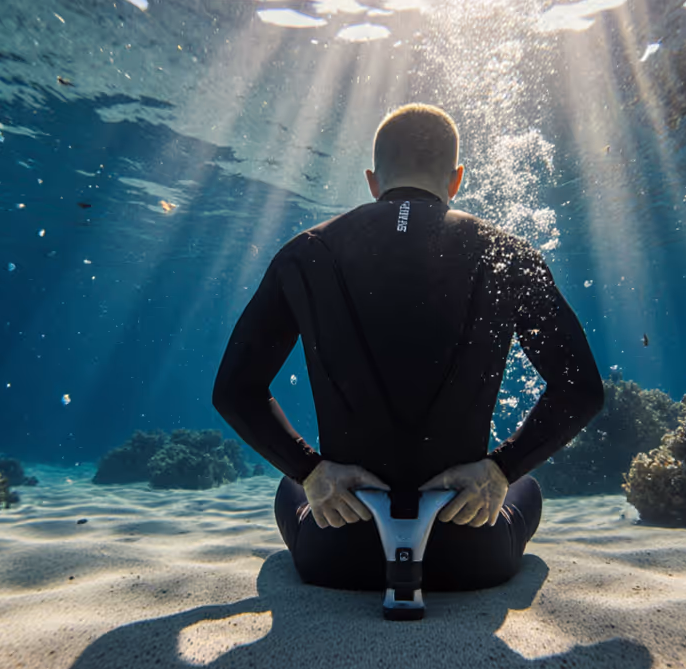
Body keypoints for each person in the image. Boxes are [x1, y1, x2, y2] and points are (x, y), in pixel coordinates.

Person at [213, 104, 603, 591]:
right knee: (529, 488)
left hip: (338, 553)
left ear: (373, 180)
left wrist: (309, 470)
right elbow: (581, 389)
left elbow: (234, 390)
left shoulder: (305, 252)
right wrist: (502, 468)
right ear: (456, 179)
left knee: (286, 487)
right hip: (470, 555)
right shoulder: (510, 254)